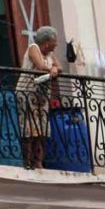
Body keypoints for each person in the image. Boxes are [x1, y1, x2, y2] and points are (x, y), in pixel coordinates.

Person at [18, 25, 61, 169]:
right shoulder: (33, 48)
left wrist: (54, 68)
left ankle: (38, 162)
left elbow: (59, 67)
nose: (56, 44)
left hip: (42, 96)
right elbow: (40, 65)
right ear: (47, 41)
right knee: (29, 129)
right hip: (27, 94)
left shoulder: (50, 54)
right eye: (55, 41)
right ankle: (27, 161)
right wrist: (51, 69)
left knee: (41, 130)